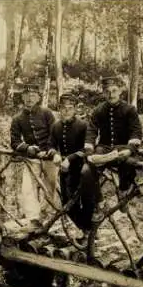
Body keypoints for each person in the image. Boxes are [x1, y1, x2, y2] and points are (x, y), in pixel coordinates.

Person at [81, 76, 143, 212]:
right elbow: (91, 131)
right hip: (104, 149)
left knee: (130, 163)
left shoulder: (129, 110)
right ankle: (99, 201)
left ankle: (123, 192)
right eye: (107, 91)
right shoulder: (99, 110)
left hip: (123, 148)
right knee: (87, 170)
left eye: (114, 91)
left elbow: (136, 132)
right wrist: (90, 152)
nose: (111, 94)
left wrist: (130, 149)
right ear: (103, 93)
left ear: (120, 91)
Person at [10, 84, 59, 221]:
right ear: (22, 98)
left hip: (49, 156)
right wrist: (27, 148)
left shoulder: (47, 113)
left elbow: (55, 134)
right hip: (32, 158)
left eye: (33, 95)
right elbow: (14, 142)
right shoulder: (18, 118)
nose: (29, 98)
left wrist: (49, 150)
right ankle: (33, 218)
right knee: (28, 187)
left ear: (38, 97)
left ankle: (48, 213)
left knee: (51, 184)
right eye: (26, 95)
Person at [48, 93, 92, 238]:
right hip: (65, 170)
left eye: (70, 108)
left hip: (83, 169)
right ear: (59, 109)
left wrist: (71, 158)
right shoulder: (56, 126)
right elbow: (51, 145)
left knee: (86, 201)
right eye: (63, 108)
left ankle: (89, 231)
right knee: (67, 204)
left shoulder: (83, 125)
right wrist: (54, 154)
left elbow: (87, 149)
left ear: (75, 109)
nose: (66, 111)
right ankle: (86, 229)